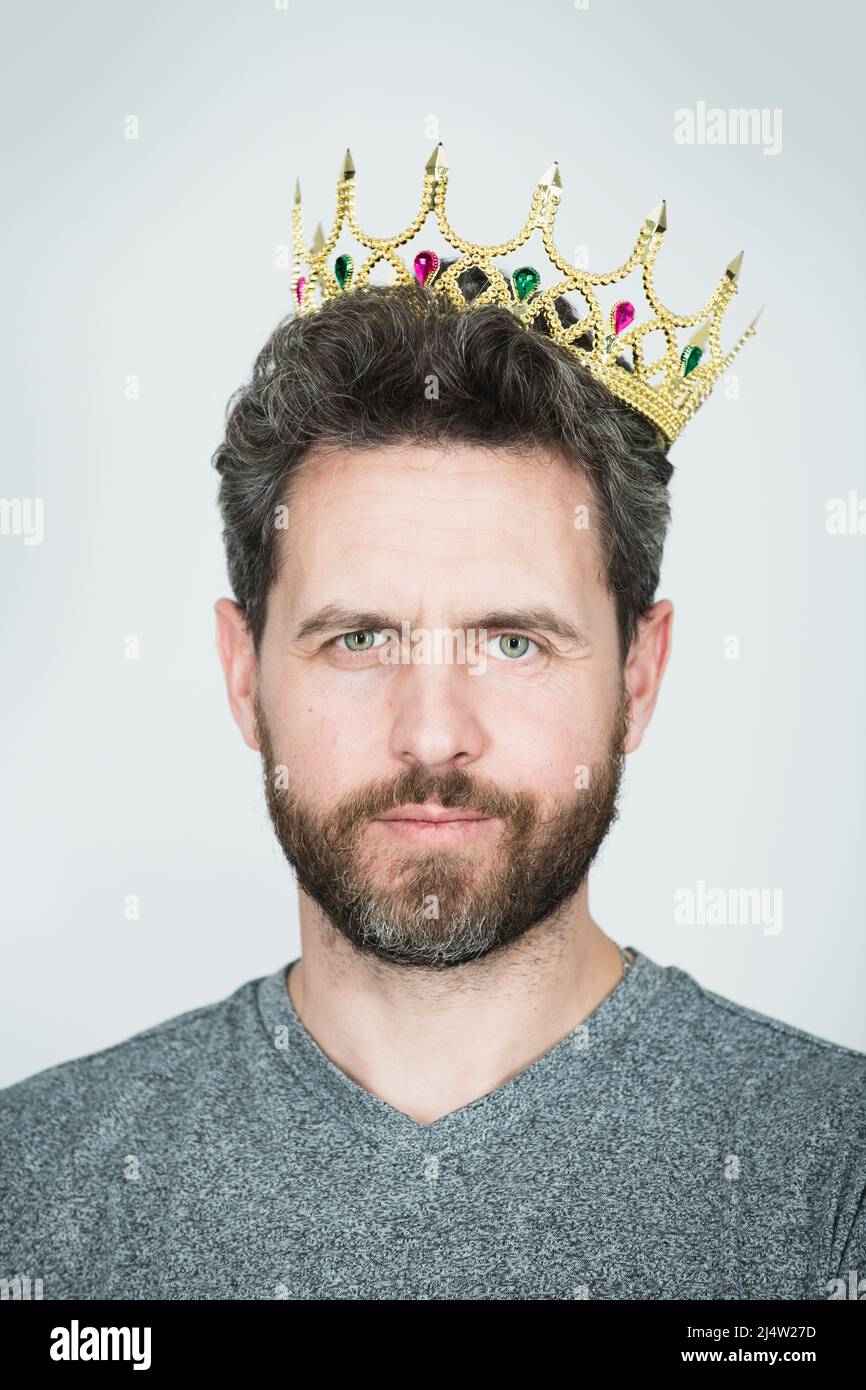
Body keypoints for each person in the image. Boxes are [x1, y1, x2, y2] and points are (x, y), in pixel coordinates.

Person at [1, 239, 864, 1302]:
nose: (429, 736)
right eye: (359, 639)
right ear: (242, 674)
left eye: (512, 641)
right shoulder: (32, 1192)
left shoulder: (835, 1184)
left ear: (638, 677)